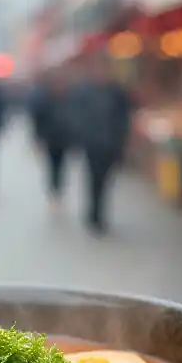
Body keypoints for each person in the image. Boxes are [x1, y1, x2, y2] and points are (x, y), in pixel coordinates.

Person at [68, 55, 132, 236]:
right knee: (93, 179)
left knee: (105, 180)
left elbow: (124, 116)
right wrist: (81, 135)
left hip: (110, 144)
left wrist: (121, 138)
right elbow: (76, 114)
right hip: (92, 144)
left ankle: (99, 213)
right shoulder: (84, 91)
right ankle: (93, 214)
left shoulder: (116, 92)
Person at [30, 69, 73, 209]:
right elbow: (39, 119)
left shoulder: (68, 100)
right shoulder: (45, 100)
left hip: (64, 139)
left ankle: (58, 189)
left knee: (61, 166)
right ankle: (53, 190)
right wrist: (38, 137)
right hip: (51, 139)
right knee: (52, 165)